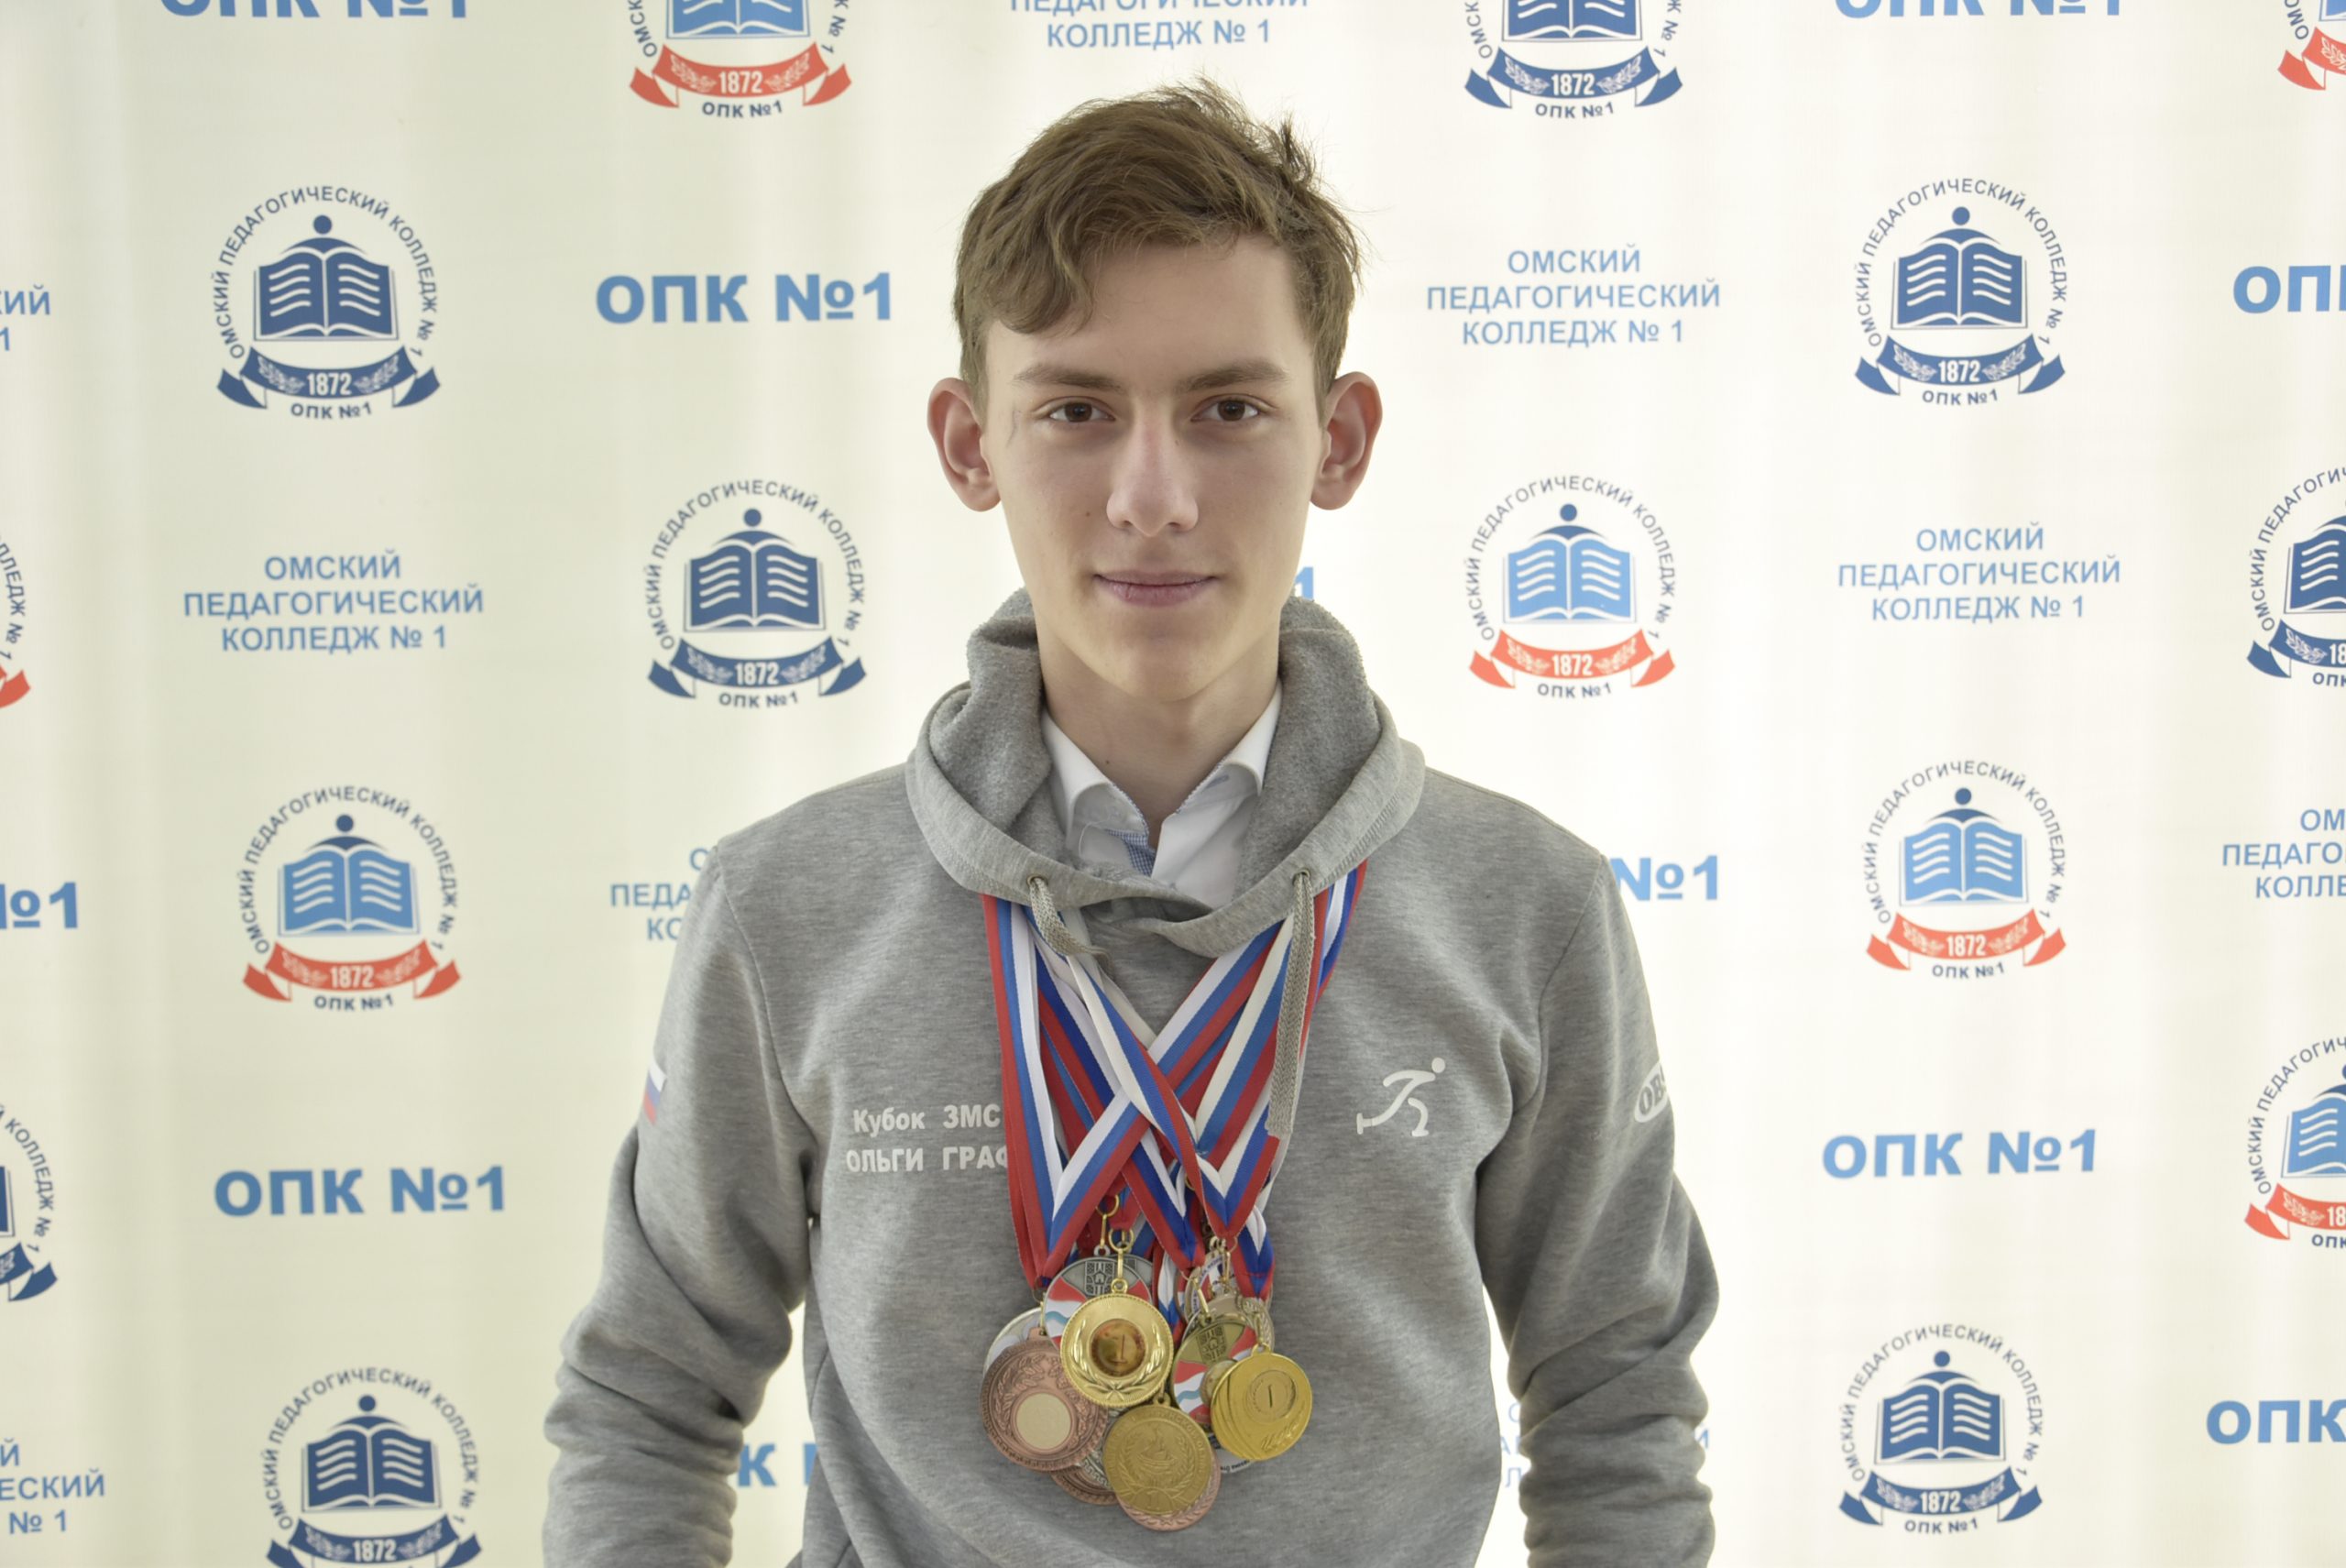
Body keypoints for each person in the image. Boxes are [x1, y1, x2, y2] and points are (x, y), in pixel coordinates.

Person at [543, 77, 1716, 1567]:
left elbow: (1617, 1402)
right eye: (1077, 411)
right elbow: (649, 1397)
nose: (1153, 497)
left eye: (1228, 409)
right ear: (970, 444)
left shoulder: (1527, 906)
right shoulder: (787, 908)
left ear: (1340, 439)